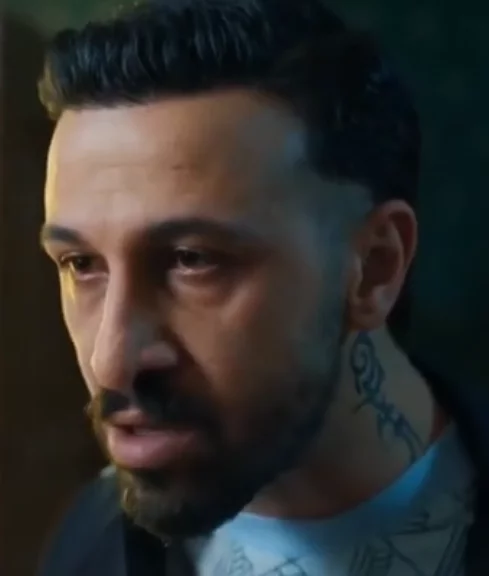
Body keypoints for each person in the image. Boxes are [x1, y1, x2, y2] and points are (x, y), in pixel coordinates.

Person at [36, 1, 489, 575]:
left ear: (375, 266)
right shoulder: (90, 543)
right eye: (81, 264)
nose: (111, 362)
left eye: (192, 260)